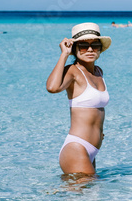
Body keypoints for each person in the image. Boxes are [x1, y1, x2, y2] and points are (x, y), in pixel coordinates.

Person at [46, 22, 111, 175]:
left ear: (100, 49)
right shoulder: (73, 71)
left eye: (95, 45)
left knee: (85, 196)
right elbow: (52, 88)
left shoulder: (98, 72)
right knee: (89, 195)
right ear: (75, 49)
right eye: (83, 45)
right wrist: (64, 55)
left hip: (92, 150)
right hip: (77, 148)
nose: (90, 49)